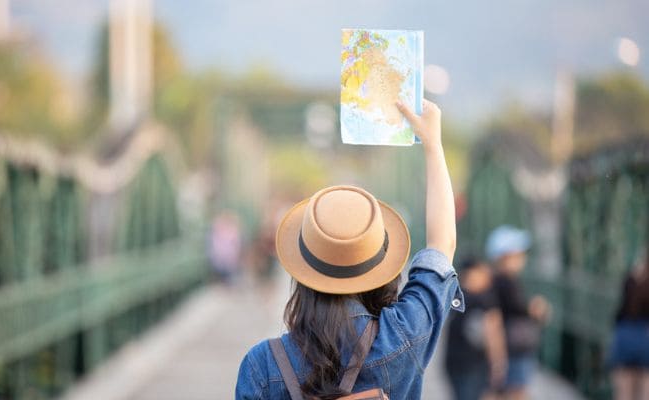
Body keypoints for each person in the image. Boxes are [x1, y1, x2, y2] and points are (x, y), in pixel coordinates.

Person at [235, 99, 464, 400]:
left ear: (304, 269)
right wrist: (433, 144)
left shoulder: (261, 365)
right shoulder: (403, 335)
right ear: (380, 268)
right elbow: (441, 244)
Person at [487, 226, 550, 400]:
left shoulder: (496, 280)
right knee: (517, 391)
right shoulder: (505, 281)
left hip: (508, 346)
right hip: (514, 346)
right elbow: (521, 308)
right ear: (505, 257)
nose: (522, 258)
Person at [445, 258, 506, 400]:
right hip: (474, 366)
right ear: (473, 273)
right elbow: (493, 334)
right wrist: (498, 365)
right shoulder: (485, 300)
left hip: (453, 363)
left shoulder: (454, 296)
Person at [609, 246, 649, 400]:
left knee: (623, 394)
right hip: (646, 337)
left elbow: (621, 309)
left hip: (625, 336)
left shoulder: (632, 276)